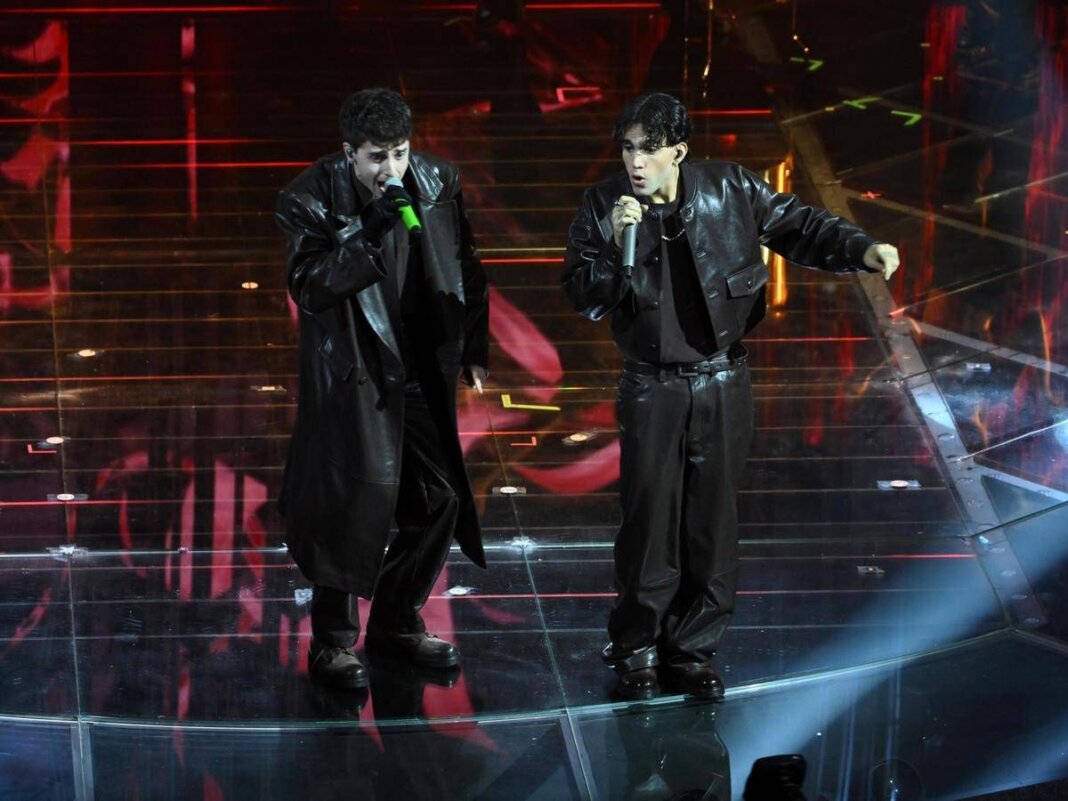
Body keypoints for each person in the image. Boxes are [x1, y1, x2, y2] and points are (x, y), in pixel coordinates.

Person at [562, 92, 899, 701]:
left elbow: (800, 224)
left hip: (722, 378)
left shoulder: (730, 187)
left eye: (649, 150)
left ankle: (692, 650)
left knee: (711, 520)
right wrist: (613, 241)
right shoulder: (603, 204)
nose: (635, 162)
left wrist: (860, 249)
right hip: (651, 385)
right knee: (648, 521)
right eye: (629, 149)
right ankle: (637, 647)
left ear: (678, 152)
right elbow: (584, 295)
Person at [276, 88, 489, 690]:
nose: (390, 168)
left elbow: (466, 265)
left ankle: (396, 621)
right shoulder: (308, 198)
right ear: (350, 154)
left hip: (419, 363)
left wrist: (474, 345)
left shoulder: (438, 181)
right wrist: (365, 235)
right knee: (349, 506)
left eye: (399, 153)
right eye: (376, 157)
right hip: (355, 370)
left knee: (441, 498)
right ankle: (332, 644)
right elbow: (310, 287)